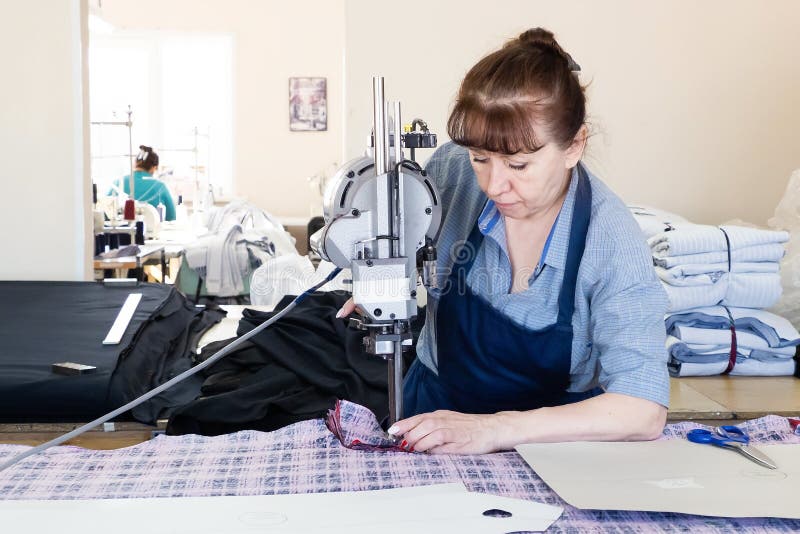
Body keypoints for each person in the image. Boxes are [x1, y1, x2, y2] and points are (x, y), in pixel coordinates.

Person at [337, 28, 670, 454]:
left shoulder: (609, 239)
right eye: (480, 158)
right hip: (432, 416)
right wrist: (381, 280)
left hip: (555, 448)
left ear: (574, 146)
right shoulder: (451, 171)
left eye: (518, 164)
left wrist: (495, 429)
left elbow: (643, 409)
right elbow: (407, 251)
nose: (495, 184)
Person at [110, 145, 176, 221]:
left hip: (122, 231)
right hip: (151, 231)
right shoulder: (160, 186)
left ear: (135, 163)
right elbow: (171, 217)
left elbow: (105, 210)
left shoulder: (117, 182)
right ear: (154, 167)